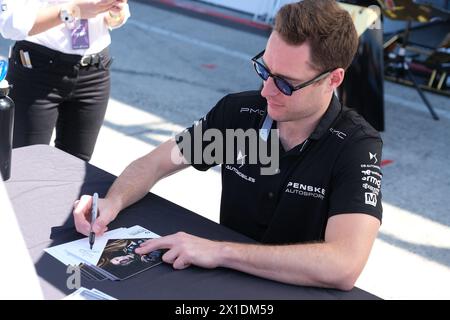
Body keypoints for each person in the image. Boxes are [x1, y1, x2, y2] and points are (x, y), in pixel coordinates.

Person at [73, 0, 383, 291]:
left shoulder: (355, 146)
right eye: (264, 70)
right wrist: (113, 202)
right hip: (223, 281)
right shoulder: (240, 115)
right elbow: (154, 163)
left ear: (333, 79)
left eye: (286, 83)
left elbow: (344, 265)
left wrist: (219, 251)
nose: (266, 91)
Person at [0, 0, 130, 161]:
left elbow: (116, 17)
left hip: (94, 72)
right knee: (27, 165)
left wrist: (114, 11)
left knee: (75, 168)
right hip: (37, 72)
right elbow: (10, 26)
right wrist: (72, 11)